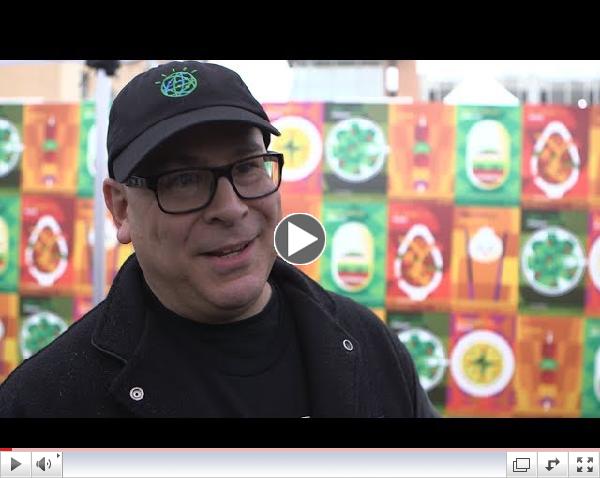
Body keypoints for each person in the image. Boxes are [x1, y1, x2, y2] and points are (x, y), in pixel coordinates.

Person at [0, 61, 439, 417]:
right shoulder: (43, 403)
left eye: (247, 167)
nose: (230, 208)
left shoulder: (369, 345)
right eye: (183, 179)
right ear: (122, 209)